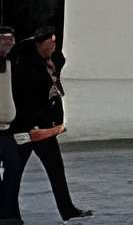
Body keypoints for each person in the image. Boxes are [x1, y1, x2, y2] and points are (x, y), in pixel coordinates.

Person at [0, 30, 90, 220]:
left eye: (54, 45)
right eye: (49, 45)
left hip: (42, 130)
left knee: (54, 170)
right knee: (14, 174)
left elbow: (56, 90)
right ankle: (9, 214)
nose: (52, 48)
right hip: (28, 129)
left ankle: (66, 210)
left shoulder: (45, 64)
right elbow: (26, 98)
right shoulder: (24, 66)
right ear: (38, 45)